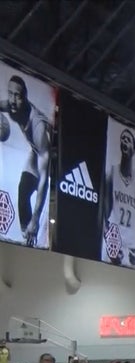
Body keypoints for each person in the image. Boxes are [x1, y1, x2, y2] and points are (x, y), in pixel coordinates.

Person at [0, 75, 51, 247]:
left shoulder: (38, 128)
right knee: (22, 193)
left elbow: (44, 177)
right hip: (36, 151)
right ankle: (26, 236)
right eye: (10, 94)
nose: (13, 100)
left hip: (52, 160)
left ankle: (32, 232)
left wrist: (36, 219)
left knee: (34, 192)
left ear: (25, 97)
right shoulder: (12, 106)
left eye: (18, 96)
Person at [103, 128, 135, 268]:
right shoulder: (112, 173)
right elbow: (104, 209)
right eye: (122, 139)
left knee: (134, 262)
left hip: (133, 238)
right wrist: (107, 235)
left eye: (128, 140)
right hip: (116, 235)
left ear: (133, 149)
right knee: (115, 262)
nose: (124, 141)